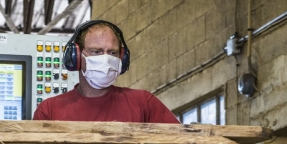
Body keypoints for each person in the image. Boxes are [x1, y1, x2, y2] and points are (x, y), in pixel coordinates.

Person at [32, 20, 179, 123]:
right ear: (76, 56)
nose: (106, 59)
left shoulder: (144, 103)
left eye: (112, 53)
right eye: (96, 51)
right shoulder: (49, 111)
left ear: (122, 58)